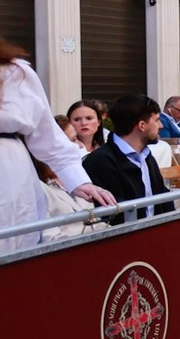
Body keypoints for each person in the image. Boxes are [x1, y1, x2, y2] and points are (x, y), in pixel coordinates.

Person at [0, 41, 113, 250]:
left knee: (14, 245)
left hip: (9, 171)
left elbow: (47, 135)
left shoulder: (15, 71)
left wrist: (77, 180)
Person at [82, 95, 174, 224]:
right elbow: (113, 216)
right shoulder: (99, 162)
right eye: (157, 120)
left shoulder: (146, 156)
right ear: (142, 125)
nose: (161, 126)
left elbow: (162, 198)